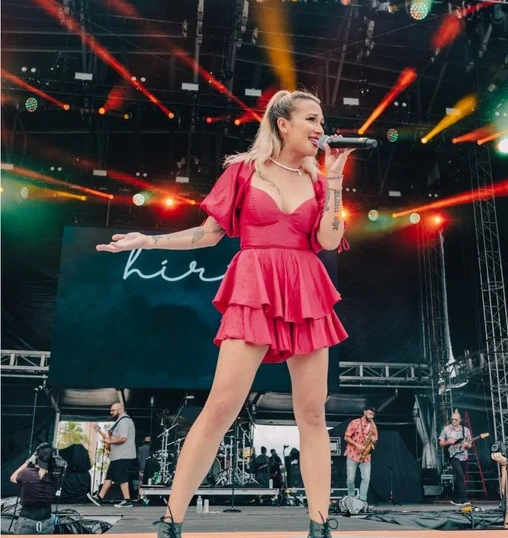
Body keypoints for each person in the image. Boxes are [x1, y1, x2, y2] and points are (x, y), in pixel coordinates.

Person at [96, 90, 353, 538]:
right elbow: (207, 234)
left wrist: (334, 181)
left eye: (322, 121)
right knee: (220, 406)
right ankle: (172, 519)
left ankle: (319, 524)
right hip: (255, 284)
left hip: (305, 287)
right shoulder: (244, 171)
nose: (320, 128)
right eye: (311, 119)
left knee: (312, 413)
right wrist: (150, 241)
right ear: (282, 124)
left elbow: (330, 241)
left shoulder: (318, 180)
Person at [87, 402, 136, 508]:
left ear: (120, 409)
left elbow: (123, 438)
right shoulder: (119, 421)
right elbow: (109, 439)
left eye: (113, 410)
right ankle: (99, 498)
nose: (111, 412)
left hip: (123, 455)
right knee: (109, 477)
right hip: (117, 456)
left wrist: (109, 442)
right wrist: (100, 432)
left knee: (122, 477)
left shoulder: (124, 421)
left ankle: (127, 501)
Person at [10, 444, 57, 534]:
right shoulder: (55, 477)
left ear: (36, 459)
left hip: (27, 522)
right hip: (47, 522)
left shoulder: (26, 474)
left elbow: (13, 478)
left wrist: (27, 462)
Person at [344, 407, 378, 503]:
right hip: (353, 453)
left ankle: (363, 500)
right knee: (350, 479)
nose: (371, 416)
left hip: (365, 455)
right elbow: (346, 437)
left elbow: (375, 439)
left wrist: (371, 439)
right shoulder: (355, 422)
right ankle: (351, 499)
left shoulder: (373, 425)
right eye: (370, 414)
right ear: (364, 412)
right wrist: (357, 445)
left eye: (373, 415)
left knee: (366, 479)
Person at [439, 410, 472, 507]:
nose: (453, 421)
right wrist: (447, 442)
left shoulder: (465, 430)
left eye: (455, 419)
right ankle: (464, 499)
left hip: (463, 456)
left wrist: (467, 445)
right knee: (460, 475)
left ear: (460, 420)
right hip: (453, 456)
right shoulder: (446, 429)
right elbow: (441, 443)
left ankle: (455, 498)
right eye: (452, 419)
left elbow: (470, 444)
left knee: (460, 476)